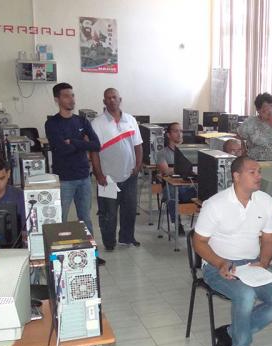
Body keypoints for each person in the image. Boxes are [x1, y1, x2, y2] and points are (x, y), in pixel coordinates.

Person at [193, 156, 272, 346]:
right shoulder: (215, 204)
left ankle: (229, 333)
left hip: (253, 265)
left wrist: (263, 263)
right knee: (245, 294)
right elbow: (198, 242)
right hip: (218, 265)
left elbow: (268, 238)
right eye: (252, 172)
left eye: (259, 172)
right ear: (236, 177)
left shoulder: (265, 201)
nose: (259, 176)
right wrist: (220, 263)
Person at [44, 83, 105, 264]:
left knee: (85, 218)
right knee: (60, 218)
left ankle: (91, 254)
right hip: (64, 179)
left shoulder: (82, 121)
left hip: (84, 177)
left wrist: (75, 142)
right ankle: (59, 255)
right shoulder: (52, 123)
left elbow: (96, 145)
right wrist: (81, 143)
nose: (71, 99)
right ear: (57, 100)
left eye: (72, 95)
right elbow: (61, 149)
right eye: (66, 96)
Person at [90, 88, 143, 251]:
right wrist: (99, 174)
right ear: (104, 102)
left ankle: (126, 238)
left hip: (129, 175)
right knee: (108, 213)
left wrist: (138, 166)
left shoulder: (131, 120)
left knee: (129, 209)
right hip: (108, 178)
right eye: (108, 98)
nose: (112, 100)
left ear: (120, 99)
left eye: (114, 97)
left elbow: (138, 145)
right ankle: (109, 242)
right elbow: (94, 152)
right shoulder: (97, 123)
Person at [156, 122, 196, 236]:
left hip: (189, 186)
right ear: (168, 135)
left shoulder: (190, 151)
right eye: (176, 131)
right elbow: (166, 171)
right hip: (171, 187)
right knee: (172, 191)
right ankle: (177, 223)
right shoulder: (162, 153)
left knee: (206, 192)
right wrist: (184, 169)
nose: (179, 134)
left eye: (181, 131)